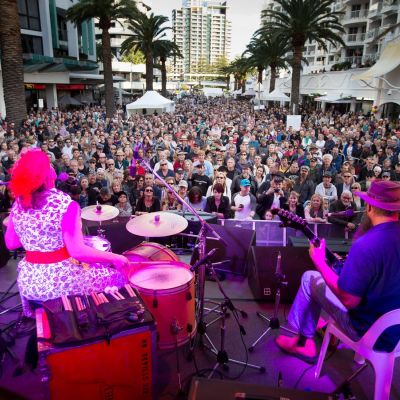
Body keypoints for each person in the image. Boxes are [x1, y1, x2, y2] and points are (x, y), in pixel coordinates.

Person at [275, 180, 400, 362]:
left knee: (311, 278)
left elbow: (348, 300)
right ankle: (320, 327)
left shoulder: (366, 244)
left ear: (370, 208)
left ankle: (303, 343)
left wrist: (320, 262)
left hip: (369, 332)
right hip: (395, 331)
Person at [5, 150, 128, 318]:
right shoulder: (65, 205)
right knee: (117, 276)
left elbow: (11, 243)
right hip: (60, 283)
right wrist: (115, 258)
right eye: (48, 165)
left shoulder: (19, 203)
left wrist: (31, 232)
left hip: (29, 282)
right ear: (47, 175)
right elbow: (78, 252)